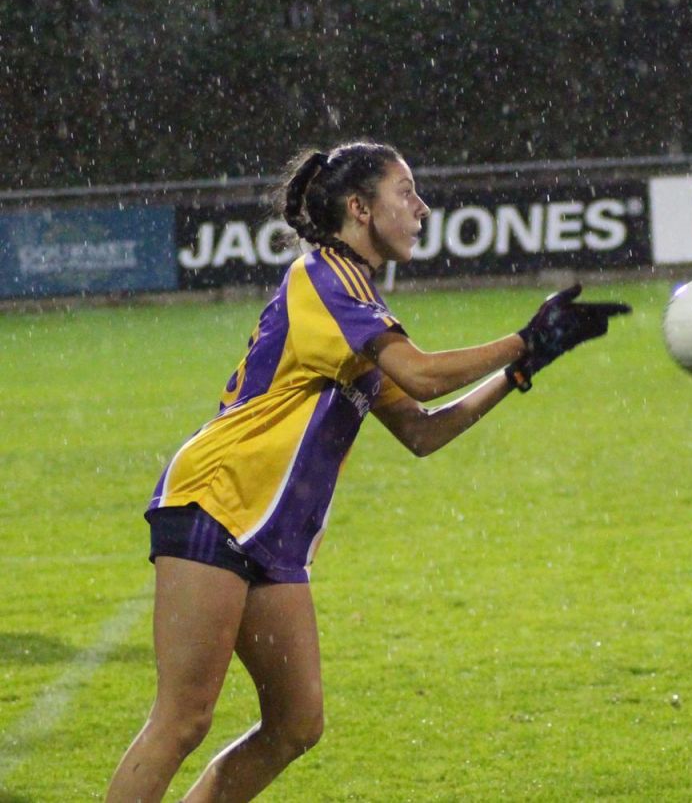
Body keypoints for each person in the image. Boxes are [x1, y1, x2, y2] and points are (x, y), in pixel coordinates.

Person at [105, 141, 630, 803]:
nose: (422, 208)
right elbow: (421, 371)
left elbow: (420, 428)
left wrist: (519, 372)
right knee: (183, 719)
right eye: (405, 193)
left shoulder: (355, 307)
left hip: (271, 532)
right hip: (218, 499)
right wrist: (524, 337)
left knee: (296, 723)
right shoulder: (326, 279)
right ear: (359, 208)